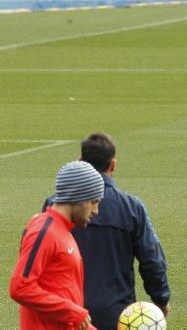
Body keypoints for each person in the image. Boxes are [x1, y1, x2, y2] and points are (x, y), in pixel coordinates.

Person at [42, 133, 171, 330]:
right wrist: (161, 299)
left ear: (80, 162)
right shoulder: (131, 207)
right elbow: (152, 259)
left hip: (68, 312)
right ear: (113, 165)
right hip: (116, 314)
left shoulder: (57, 205)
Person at [10, 161, 104, 330]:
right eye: (94, 201)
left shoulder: (64, 231)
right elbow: (20, 287)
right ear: (79, 197)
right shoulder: (43, 231)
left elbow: (62, 292)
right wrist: (72, 311)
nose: (96, 210)